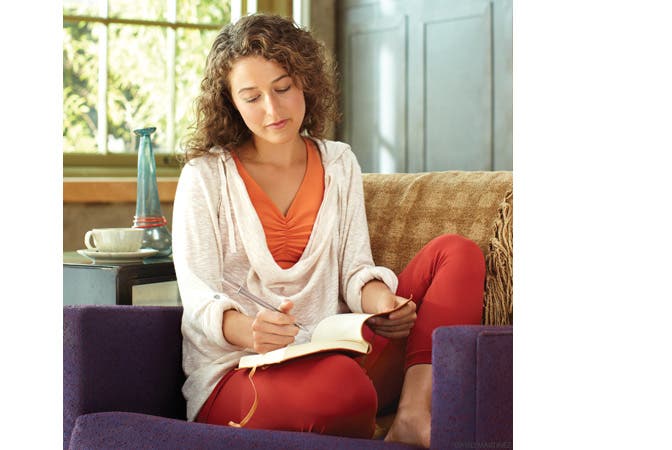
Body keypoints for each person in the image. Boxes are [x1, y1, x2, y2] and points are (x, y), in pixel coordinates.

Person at [172, 13, 485, 448]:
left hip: (339, 353)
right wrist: (249, 330)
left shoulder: (339, 162)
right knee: (344, 388)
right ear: (230, 103)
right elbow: (198, 295)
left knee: (457, 253)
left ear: (305, 81)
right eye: (251, 97)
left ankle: (414, 414)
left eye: (282, 88)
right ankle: (361, 413)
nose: (273, 109)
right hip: (241, 372)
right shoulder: (204, 176)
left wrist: (383, 303)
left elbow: (355, 268)